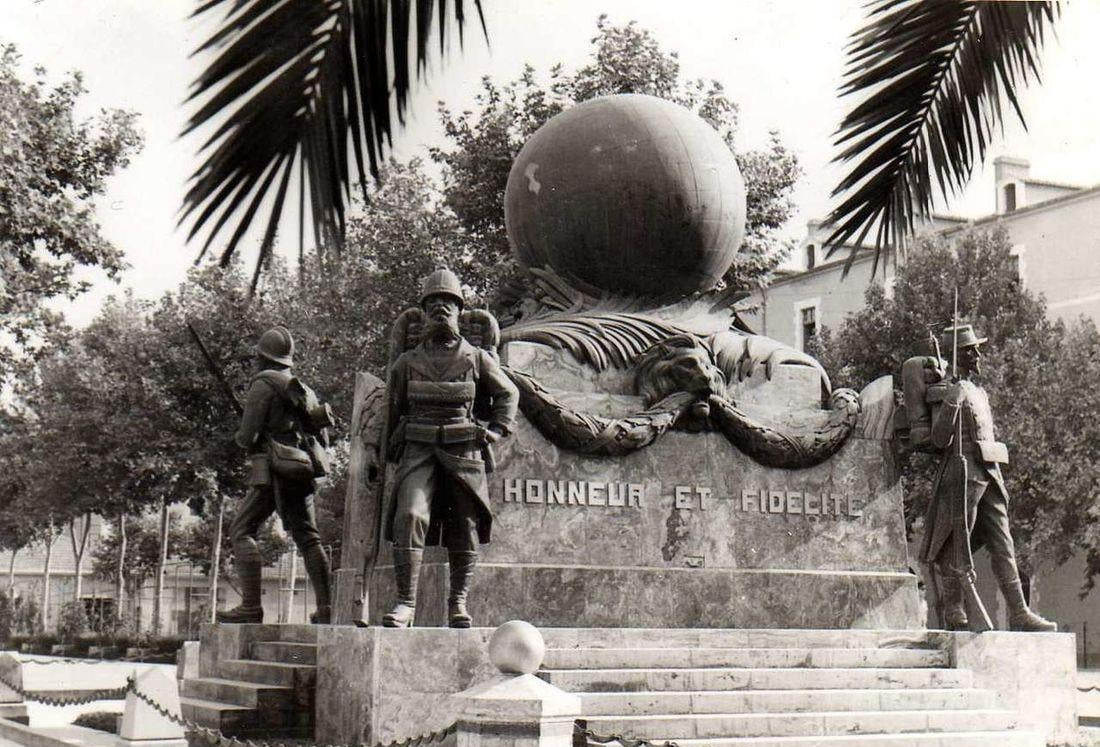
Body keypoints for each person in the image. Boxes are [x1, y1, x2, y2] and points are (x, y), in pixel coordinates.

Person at [383, 269, 519, 628]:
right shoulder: (406, 363)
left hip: (464, 451)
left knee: (466, 523)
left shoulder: (476, 358)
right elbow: (390, 411)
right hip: (419, 449)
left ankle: (457, 602)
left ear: (460, 312)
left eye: (448, 304)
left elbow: (508, 393)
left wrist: (495, 430)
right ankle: (406, 603)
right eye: (433, 305)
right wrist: (379, 454)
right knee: (409, 514)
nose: (441, 310)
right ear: (424, 314)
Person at [919, 324, 1056, 632]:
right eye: (972, 350)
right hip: (961, 475)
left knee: (1003, 543)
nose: (978, 354)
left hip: (990, 475)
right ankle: (955, 611)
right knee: (956, 542)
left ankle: (1020, 612)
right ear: (959, 355)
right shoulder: (946, 390)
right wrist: (952, 400)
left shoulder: (979, 392)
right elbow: (940, 440)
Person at [217, 325, 333, 624]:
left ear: (262, 357)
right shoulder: (303, 388)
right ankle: (326, 609)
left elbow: (247, 436)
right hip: (302, 469)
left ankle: (251, 607)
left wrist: (243, 436)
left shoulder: (263, 385)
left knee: (241, 530)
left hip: (274, 471)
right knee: (309, 538)